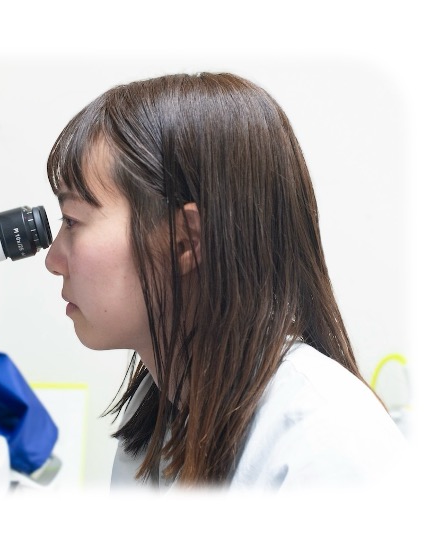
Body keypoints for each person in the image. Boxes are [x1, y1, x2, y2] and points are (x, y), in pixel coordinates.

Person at [43, 72, 410, 491]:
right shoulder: (158, 406)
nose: (53, 261)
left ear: (184, 241)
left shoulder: (327, 444)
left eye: (72, 221)